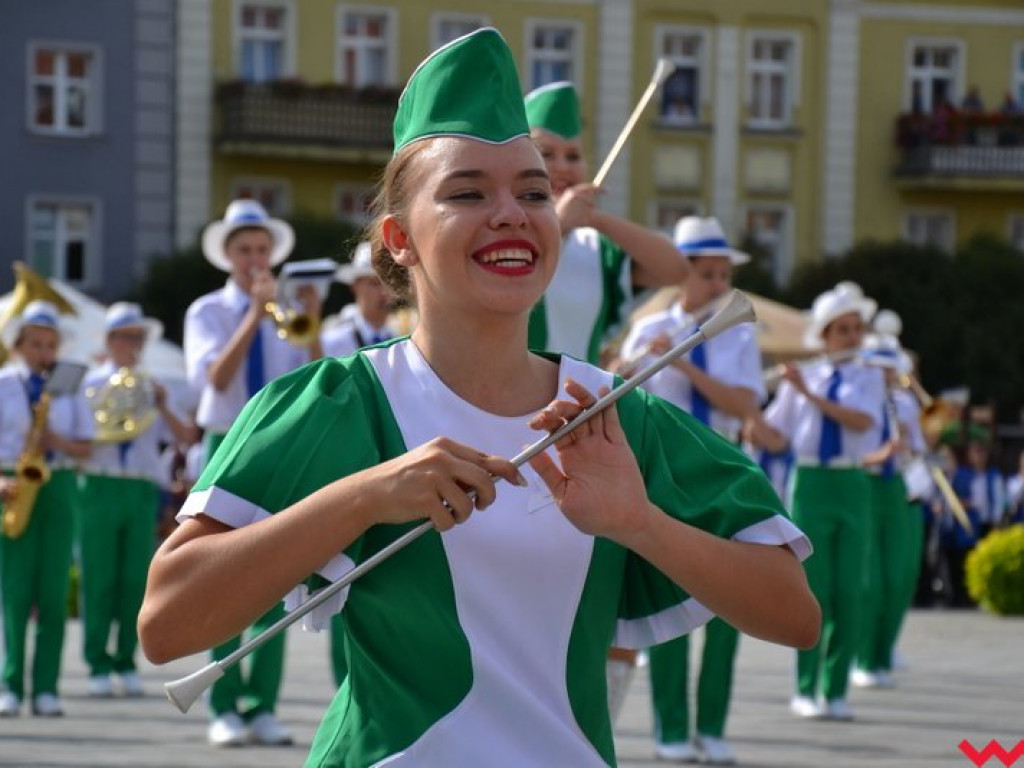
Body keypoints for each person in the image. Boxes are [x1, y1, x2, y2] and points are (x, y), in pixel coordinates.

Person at [140, 28, 819, 767]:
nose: (513, 213)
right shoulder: (341, 403)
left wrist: (639, 524)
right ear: (399, 239)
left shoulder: (617, 419)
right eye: (468, 192)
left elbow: (794, 614)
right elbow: (168, 624)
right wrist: (364, 497)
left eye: (533, 192)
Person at [618, 216, 765, 764]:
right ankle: (670, 729)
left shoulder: (738, 329)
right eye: (708, 274)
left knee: (729, 606)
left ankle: (713, 727)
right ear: (681, 275)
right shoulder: (645, 328)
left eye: (724, 273)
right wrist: (641, 360)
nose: (719, 284)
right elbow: (617, 391)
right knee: (670, 600)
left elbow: (746, 406)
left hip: (723, 464)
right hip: (665, 471)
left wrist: (684, 360)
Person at [183, 198, 322, 746]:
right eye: (245, 250)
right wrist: (251, 316)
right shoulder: (207, 312)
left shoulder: (284, 312)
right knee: (222, 578)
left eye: (262, 250)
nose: (255, 259)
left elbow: (313, 377)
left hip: (276, 446)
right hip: (224, 445)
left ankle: (263, 704)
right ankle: (224, 705)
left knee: (275, 575)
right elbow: (215, 380)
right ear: (227, 256)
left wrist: (308, 321)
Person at [751, 281, 884, 721]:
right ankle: (806, 688)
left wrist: (808, 394)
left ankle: (837, 688)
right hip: (809, 482)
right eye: (841, 330)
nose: (850, 337)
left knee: (851, 592)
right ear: (824, 337)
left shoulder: (868, 375)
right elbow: (774, 436)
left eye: (855, 329)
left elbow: (862, 420)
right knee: (814, 590)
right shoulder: (801, 378)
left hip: (852, 483)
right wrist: (747, 411)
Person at [524, 80, 688, 364]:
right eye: (546, 154)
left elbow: (676, 270)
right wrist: (558, 224)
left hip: (580, 402)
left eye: (573, 156)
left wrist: (595, 219)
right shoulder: (502, 232)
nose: (563, 166)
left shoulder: (596, 248)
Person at [77, 303, 195, 698]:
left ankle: (126, 661)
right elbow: (80, 438)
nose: (133, 345)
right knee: (98, 579)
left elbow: (185, 436)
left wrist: (161, 404)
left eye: (137, 338)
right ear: (109, 341)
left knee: (133, 581)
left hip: (141, 486)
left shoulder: (152, 384)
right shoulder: (89, 381)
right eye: (125, 337)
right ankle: (96, 662)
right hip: (99, 481)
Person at [0, 300, 94, 717]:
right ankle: (10, 683)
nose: (44, 353)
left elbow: (87, 449)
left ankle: (46, 687)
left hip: (58, 482)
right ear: (19, 345)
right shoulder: (3, 382)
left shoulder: (68, 387)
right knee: (14, 590)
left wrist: (57, 440)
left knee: (54, 591)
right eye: (36, 344)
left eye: (50, 345)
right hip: (13, 483)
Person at [851, 329, 925, 689]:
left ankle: (881, 657)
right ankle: (862, 658)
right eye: (877, 368)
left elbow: (917, 450)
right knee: (871, 582)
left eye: (888, 369)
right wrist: (878, 455)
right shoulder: (855, 398)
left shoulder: (903, 403)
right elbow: (843, 454)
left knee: (896, 578)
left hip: (895, 487)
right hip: (863, 485)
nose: (885, 375)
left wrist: (908, 447)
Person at [321, 241, 397, 360]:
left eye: (389, 283)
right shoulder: (334, 341)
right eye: (375, 283)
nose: (384, 291)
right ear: (355, 286)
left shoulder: (398, 340)